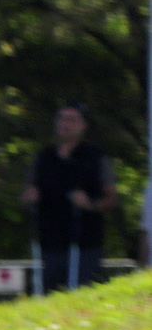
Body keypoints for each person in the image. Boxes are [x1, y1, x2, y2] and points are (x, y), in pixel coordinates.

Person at [22, 102, 118, 293]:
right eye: (62, 119)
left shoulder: (96, 158)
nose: (65, 124)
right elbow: (26, 197)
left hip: (85, 245)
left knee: (82, 294)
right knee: (50, 294)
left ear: (83, 125)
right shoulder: (44, 158)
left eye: (72, 120)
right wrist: (30, 198)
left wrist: (89, 204)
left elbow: (112, 199)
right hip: (49, 243)